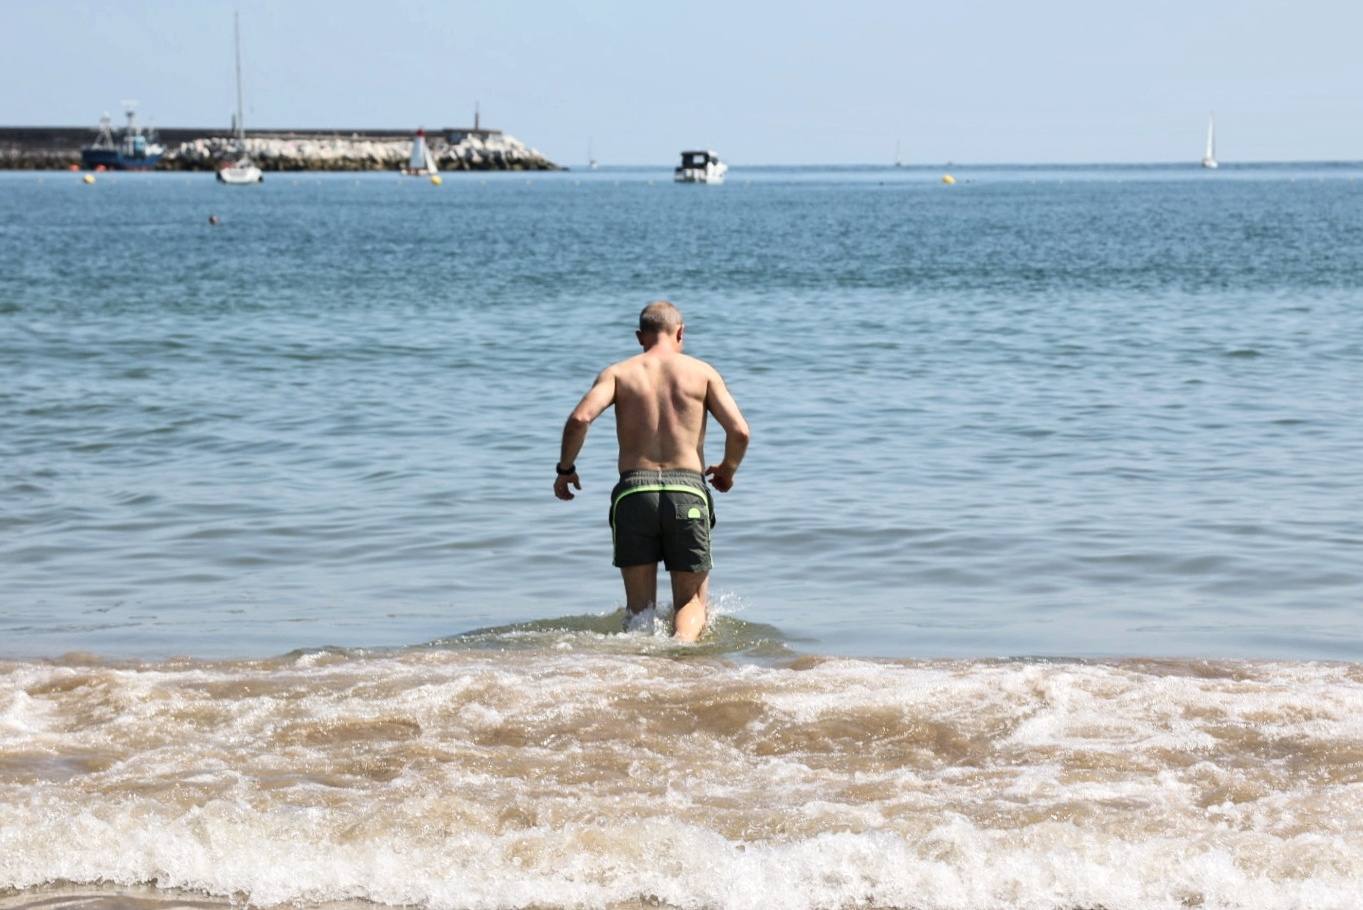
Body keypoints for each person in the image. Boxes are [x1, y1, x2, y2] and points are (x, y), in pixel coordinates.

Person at [554, 301, 750, 642]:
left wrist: (565, 469)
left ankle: (641, 666)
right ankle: (681, 652)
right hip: (687, 491)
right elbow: (740, 432)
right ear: (680, 333)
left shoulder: (618, 373)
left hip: (634, 495)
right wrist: (728, 470)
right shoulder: (703, 373)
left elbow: (579, 419)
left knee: (639, 609)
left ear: (639, 336)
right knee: (690, 602)